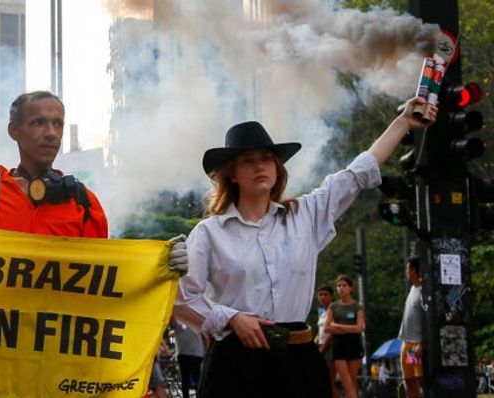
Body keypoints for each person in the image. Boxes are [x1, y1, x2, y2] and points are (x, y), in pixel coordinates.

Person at [173, 96, 436, 398]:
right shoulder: (209, 232)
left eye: (266, 158)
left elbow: (356, 174)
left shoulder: (305, 214)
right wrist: (230, 317)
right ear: (232, 173)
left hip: (297, 361)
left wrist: (403, 122)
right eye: (248, 160)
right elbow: (181, 297)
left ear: (276, 167)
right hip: (235, 363)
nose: (259, 166)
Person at [0, 90, 187, 269]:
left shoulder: (85, 202)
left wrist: (161, 267)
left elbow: (105, 278)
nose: (51, 133)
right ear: (14, 131)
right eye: (38, 123)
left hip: (63, 351)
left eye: (58, 123)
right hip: (0, 348)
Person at [327, 274, 365, 398]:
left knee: (352, 380)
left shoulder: (357, 307)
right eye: (338, 286)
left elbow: (359, 328)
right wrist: (349, 329)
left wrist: (338, 326)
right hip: (338, 345)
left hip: (353, 345)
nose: (341, 288)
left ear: (350, 288)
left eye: (344, 285)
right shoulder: (333, 306)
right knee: (346, 380)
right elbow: (327, 327)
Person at [398, 257, 424, 398]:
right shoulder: (413, 289)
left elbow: (426, 319)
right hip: (407, 343)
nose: (406, 272)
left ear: (413, 270)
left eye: (407, 269)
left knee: (419, 379)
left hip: (416, 344)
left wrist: (421, 343)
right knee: (408, 379)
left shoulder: (423, 291)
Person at [315, 284, 340, 398]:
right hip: (321, 346)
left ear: (332, 296)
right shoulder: (323, 312)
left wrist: (323, 348)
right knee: (323, 382)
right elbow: (321, 330)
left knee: (328, 382)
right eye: (320, 294)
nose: (322, 297)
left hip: (331, 347)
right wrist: (315, 341)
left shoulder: (334, 309)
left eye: (325, 294)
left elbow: (332, 332)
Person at [172, 319, 206, 398]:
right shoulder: (196, 319)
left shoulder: (180, 319)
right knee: (196, 378)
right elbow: (205, 337)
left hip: (186, 354)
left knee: (186, 379)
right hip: (195, 354)